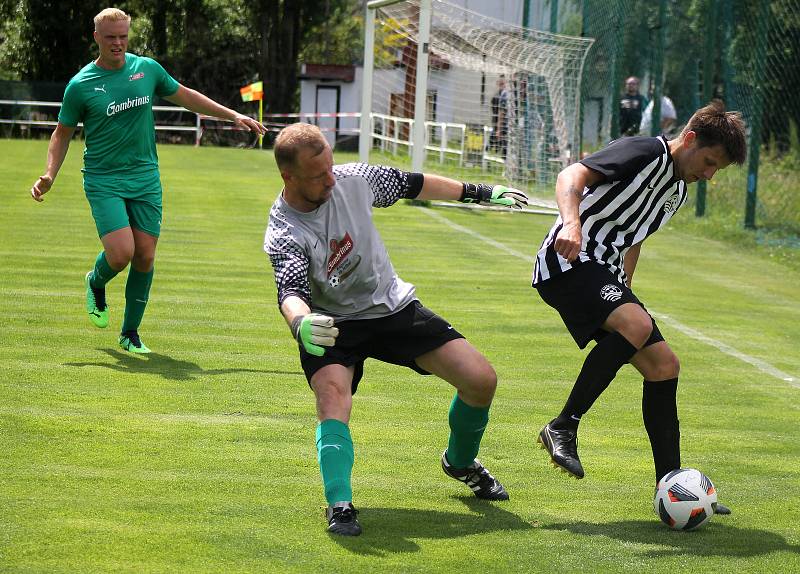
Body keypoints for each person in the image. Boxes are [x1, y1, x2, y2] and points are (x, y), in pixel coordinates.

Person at [264, 123, 528, 536]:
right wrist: (301, 322)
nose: (330, 179)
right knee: (334, 398)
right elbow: (290, 288)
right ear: (289, 176)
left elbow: (413, 184)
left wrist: (478, 191)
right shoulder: (284, 230)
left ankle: (459, 462)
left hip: (392, 308)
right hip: (333, 324)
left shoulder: (353, 180)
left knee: (481, 380)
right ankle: (340, 504)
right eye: (318, 176)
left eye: (331, 167)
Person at [532, 101, 746, 514]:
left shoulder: (677, 189)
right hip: (569, 261)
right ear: (688, 140)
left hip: (604, 272)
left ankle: (674, 485)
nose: (709, 174)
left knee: (664, 365)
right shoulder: (644, 151)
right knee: (637, 324)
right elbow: (571, 174)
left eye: (717, 169)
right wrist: (571, 223)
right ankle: (563, 425)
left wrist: (626, 283)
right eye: (709, 161)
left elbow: (635, 233)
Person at [30, 8, 265, 353]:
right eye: (111, 37)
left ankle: (130, 333)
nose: (118, 43)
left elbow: (186, 96)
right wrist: (50, 173)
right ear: (96, 37)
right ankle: (96, 282)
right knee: (123, 252)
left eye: (123, 36)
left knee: (145, 256)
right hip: (103, 179)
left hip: (145, 178)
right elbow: (62, 133)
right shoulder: (81, 85)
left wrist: (234, 114)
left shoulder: (147, 69)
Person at [490, 75, 509, 156]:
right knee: (495, 136)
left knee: (502, 141)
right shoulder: (497, 96)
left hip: (503, 122)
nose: (502, 85)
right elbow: (496, 112)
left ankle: (495, 150)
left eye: (503, 83)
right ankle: (491, 149)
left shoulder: (506, 94)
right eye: (500, 84)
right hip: (498, 121)